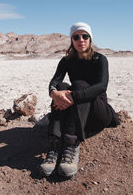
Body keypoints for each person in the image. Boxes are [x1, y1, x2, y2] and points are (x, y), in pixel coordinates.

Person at [40, 22, 120, 178]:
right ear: (72, 40)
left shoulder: (100, 59)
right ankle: (56, 143)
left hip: (97, 112)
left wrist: (73, 96)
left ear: (90, 39)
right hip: (76, 112)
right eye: (76, 37)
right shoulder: (66, 61)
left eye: (85, 36)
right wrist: (54, 93)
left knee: (79, 84)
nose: (81, 40)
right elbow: (55, 82)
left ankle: (71, 143)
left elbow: (101, 86)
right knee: (62, 86)